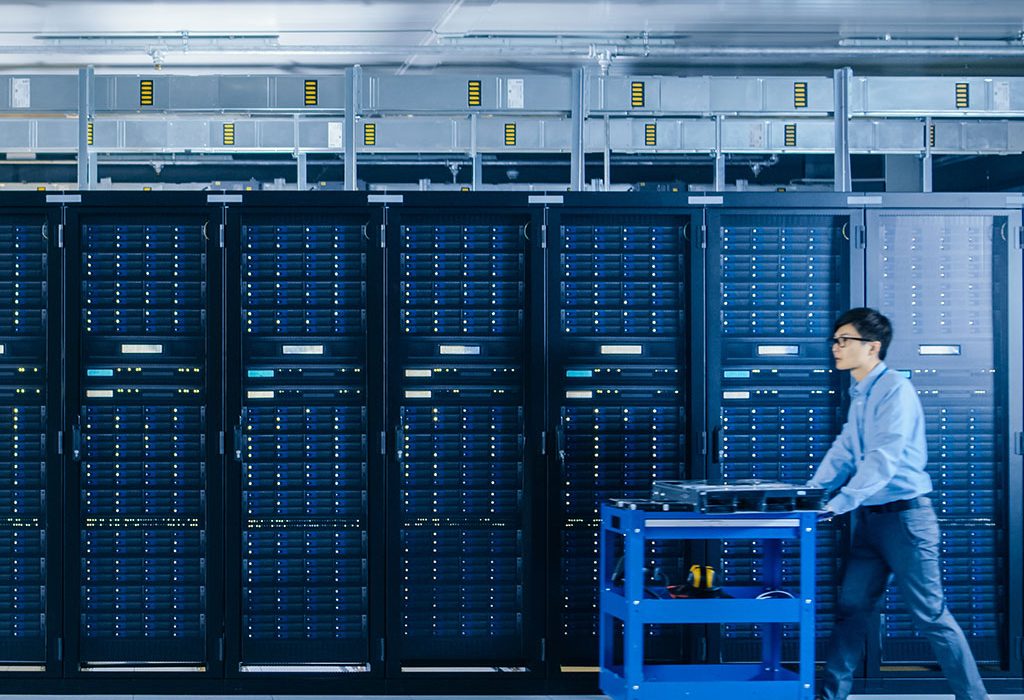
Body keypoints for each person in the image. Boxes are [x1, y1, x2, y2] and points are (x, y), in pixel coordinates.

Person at [809, 307, 988, 700]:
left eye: (844, 341)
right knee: (851, 608)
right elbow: (844, 450)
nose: (835, 348)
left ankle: (975, 698)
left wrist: (840, 503)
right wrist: (812, 492)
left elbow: (883, 459)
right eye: (834, 341)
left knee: (931, 616)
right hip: (872, 521)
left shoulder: (894, 390)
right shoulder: (861, 393)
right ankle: (830, 696)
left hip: (907, 520)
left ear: (872, 347)